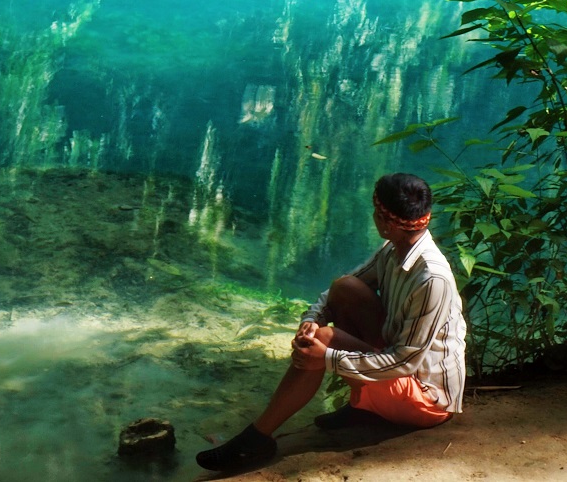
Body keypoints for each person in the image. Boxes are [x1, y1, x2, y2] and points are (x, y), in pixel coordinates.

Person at [196, 172, 467, 474]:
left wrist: (326, 357)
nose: (373, 217)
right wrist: (313, 318)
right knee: (345, 288)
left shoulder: (431, 278)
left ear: (387, 223)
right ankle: (365, 408)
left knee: (325, 340)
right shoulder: (395, 248)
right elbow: (340, 290)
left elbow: (404, 362)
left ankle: (257, 438)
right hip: (400, 372)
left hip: (427, 401)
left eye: (376, 211)